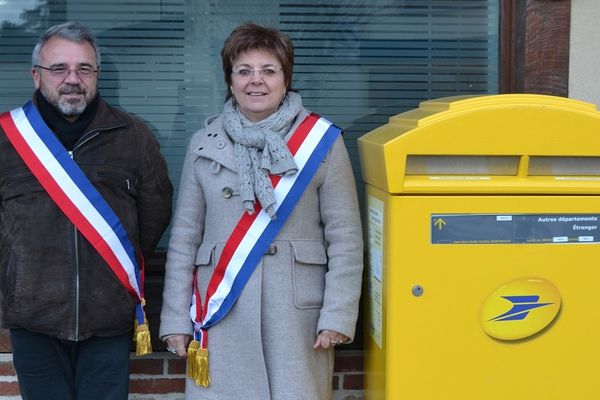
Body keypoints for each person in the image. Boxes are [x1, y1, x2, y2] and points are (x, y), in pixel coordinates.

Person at [159, 22, 363, 399]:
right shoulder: (203, 143)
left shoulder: (320, 141)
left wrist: (337, 315)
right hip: (223, 309)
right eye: (244, 71)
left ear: (286, 78)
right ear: (230, 79)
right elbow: (185, 239)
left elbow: (345, 238)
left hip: (297, 314)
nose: (256, 81)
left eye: (269, 70)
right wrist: (174, 318)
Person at [0, 22, 173, 400]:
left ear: (97, 76)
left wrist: (109, 269)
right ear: (36, 76)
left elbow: (154, 214)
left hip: (108, 318)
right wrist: (17, 275)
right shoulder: (6, 140)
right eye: (58, 68)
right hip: (34, 318)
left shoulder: (134, 137)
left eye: (84, 69)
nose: (72, 79)